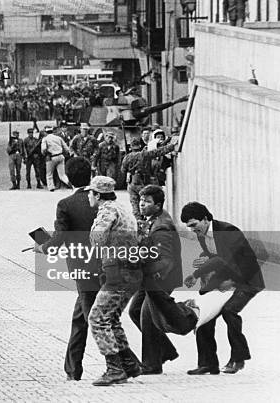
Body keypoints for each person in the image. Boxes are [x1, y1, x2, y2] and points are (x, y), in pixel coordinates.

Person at [180, 202, 265, 375]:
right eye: (189, 227)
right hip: (227, 276)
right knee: (204, 310)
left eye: (194, 225)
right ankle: (207, 363)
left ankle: (238, 359)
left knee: (229, 311)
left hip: (247, 279)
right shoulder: (202, 233)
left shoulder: (228, 231)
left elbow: (250, 262)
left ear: (205, 219)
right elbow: (217, 259)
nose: (192, 230)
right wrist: (196, 275)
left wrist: (232, 283)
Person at [38, 158, 98, 381]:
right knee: (81, 318)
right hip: (105, 266)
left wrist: (43, 246)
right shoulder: (102, 199)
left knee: (96, 319)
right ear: (90, 174)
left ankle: (129, 363)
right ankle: (72, 370)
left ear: (67, 178)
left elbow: (60, 238)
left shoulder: (66, 204)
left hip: (83, 269)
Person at [86, 176, 142, 386]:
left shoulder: (107, 210)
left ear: (98, 195)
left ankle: (115, 368)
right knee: (112, 318)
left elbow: (98, 238)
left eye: (90, 193)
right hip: (130, 271)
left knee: (97, 318)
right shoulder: (122, 206)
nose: (88, 197)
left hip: (118, 271)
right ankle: (129, 364)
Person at [128, 185, 183, 375]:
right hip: (150, 277)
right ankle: (166, 351)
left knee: (148, 315)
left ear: (158, 205)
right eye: (141, 200)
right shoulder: (151, 220)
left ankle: (152, 364)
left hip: (161, 279)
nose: (142, 204)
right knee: (135, 311)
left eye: (147, 202)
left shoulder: (162, 226)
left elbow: (166, 260)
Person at [120, 137, 177, 220]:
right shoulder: (144, 154)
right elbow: (158, 152)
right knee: (146, 203)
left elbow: (123, 170)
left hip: (132, 183)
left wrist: (130, 171)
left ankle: (139, 223)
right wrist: (172, 146)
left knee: (135, 205)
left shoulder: (127, 157)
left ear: (131, 147)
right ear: (140, 145)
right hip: (143, 182)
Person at [41, 126, 71, 192]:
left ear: (46, 132)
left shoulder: (45, 139)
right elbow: (66, 148)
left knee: (49, 174)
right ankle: (70, 183)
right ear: (52, 131)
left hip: (51, 157)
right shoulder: (59, 138)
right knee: (62, 175)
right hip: (60, 156)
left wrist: (45, 154)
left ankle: (51, 188)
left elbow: (43, 149)